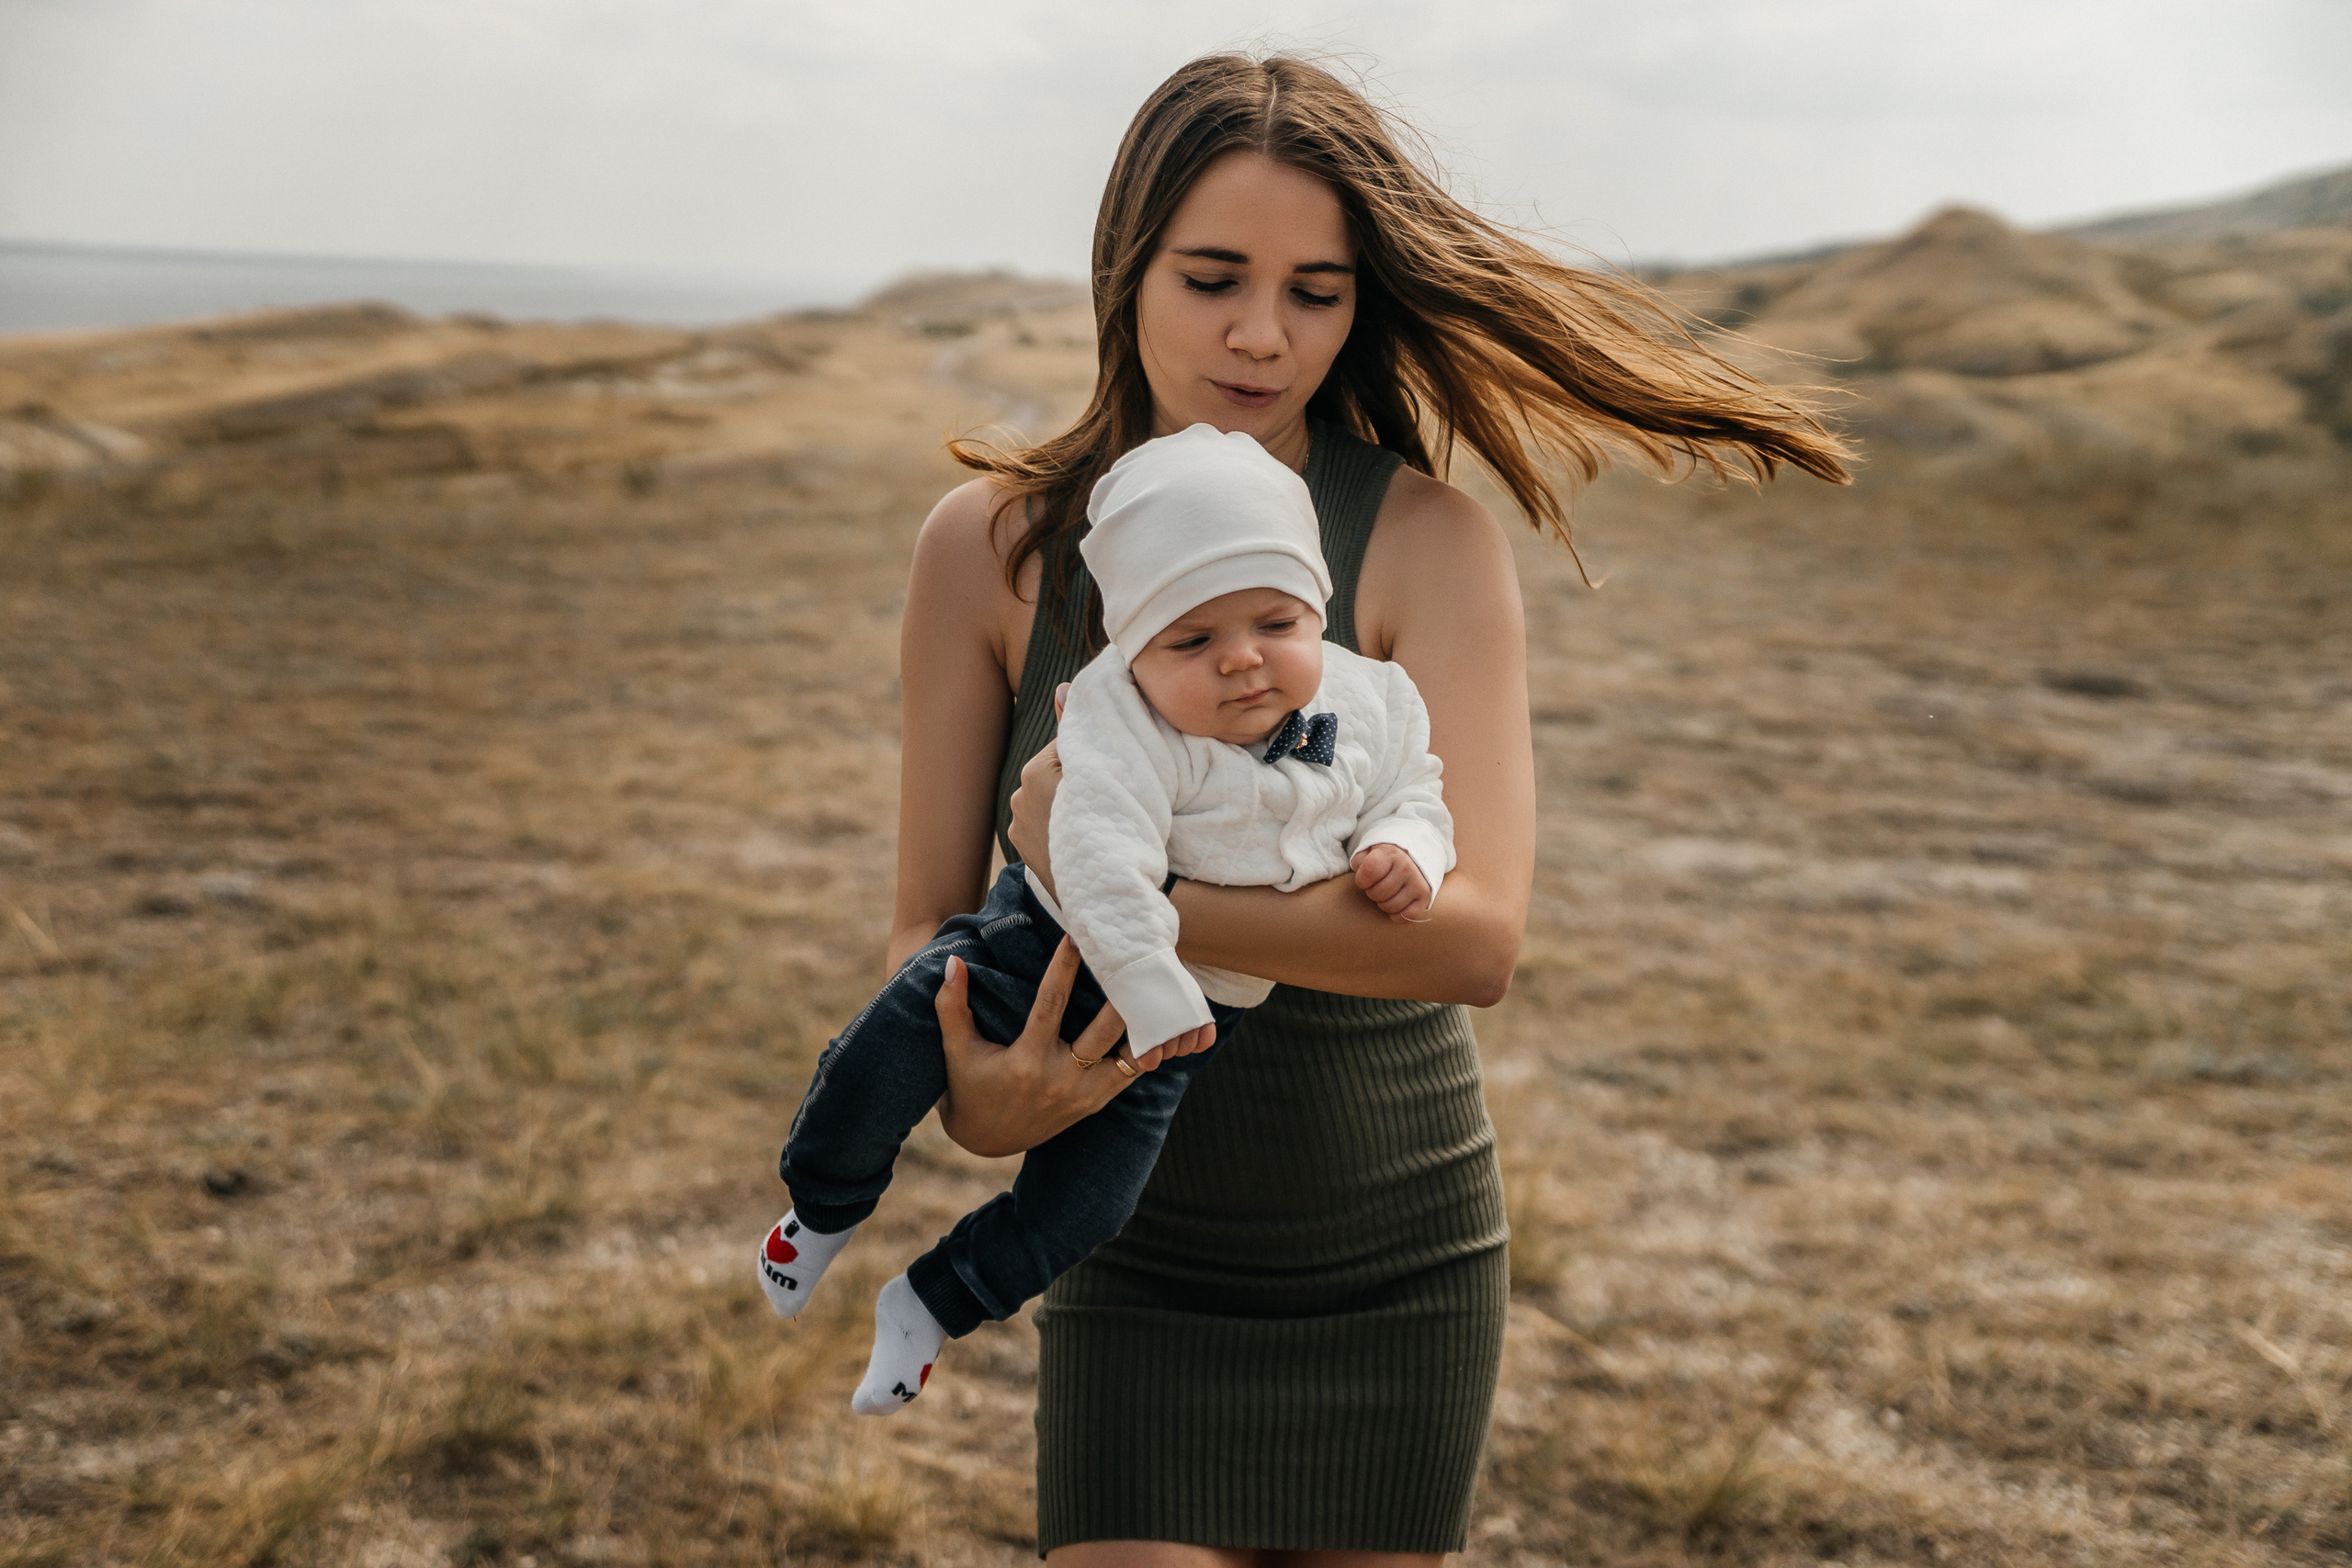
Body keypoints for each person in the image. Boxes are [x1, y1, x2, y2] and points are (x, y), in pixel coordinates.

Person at [888, 51, 1849, 1567]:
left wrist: (1101, 884)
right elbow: (927, 940)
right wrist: (972, 1096)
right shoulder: (990, 551)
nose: (1261, 335)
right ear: (1124, 265)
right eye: (1212, 276)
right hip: (1134, 1252)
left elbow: (1471, 941)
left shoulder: (1423, 540)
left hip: (1392, 1251)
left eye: (1316, 292)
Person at [759, 423, 1454, 1416]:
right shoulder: (1116, 713)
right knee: (892, 1043)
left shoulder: (1375, 701)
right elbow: (1094, 860)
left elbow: (1416, 792)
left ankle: (929, 1303)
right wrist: (1153, 987)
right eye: (1193, 640)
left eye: (1277, 622)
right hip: (1042, 947)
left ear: (1319, 608)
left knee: (1086, 1206)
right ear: (1131, 642)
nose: (1242, 662)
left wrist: (1407, 850)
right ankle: (820, 1208)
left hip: (1181, 1030)